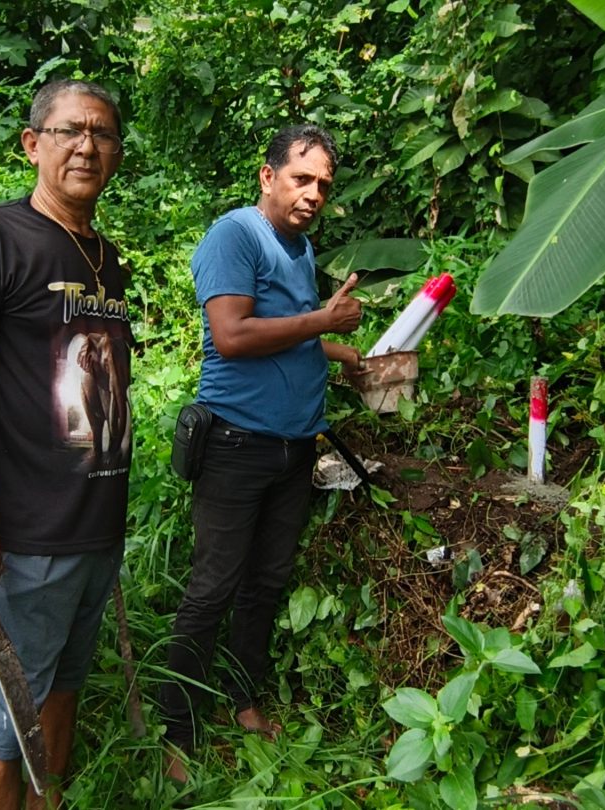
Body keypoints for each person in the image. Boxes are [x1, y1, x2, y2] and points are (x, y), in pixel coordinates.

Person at [0, 79, 132, 809]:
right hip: (25, 540)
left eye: (103, 134)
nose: (87, 145)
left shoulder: (109, 260)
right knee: (4, 730)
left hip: (93, 534)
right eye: (70, 129)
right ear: (32, 143)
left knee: (58, 703)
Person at [161, 124, 362, 782]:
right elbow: (233, 336)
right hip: (236, 443)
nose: (313, 194)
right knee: (213, 587)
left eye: (324, 186)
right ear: (267, 175)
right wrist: (323, 323)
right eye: (302, 178)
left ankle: (243, 701)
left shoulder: (300, 250)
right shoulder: (236, 235)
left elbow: (291, 337)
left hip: (294, 448)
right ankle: (177, 729)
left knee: (266, 583)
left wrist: (340, 352)